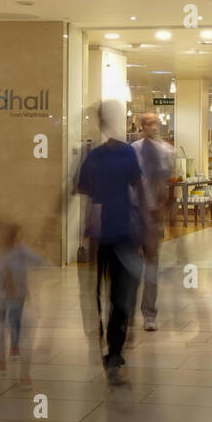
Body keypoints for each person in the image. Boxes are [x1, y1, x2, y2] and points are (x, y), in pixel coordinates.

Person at [76, 100, 150, 385]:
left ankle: (113, 345)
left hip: (106, 236)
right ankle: (115, 347)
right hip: (119, 234)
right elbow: (140, 191)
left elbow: (80, 190)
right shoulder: (123, 154)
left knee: (107, 295)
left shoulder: (94, 157)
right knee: (119, 295)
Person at [0, 218, 41, 387]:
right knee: (0, 329)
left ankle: (20, 360)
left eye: (9, 236)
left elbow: (36, 260)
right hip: (1, 297)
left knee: (17, 325)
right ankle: (0, 359)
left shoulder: (21, 251)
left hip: (18, 297)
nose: (5, 240)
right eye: (1, 236)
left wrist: (41, 263)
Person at [132, 111, 174, 331]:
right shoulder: (134, 150)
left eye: (155, 123)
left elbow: (169, 184)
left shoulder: (166, 151)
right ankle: (128, 311)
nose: (153, 127)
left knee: (151, 266)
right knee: (130, 267)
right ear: (141, 126)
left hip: (153, 216)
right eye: (148, 123)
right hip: (134, 213)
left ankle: (149, 312)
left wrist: (164, 210)